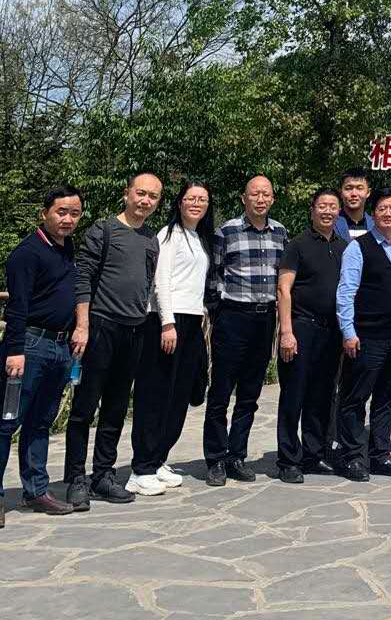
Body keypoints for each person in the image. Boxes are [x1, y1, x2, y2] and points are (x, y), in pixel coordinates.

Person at [63, 173, 163, 509]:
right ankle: (76, 479)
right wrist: (82, 325)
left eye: (152, 196)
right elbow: (83, 277)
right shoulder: (103, 229)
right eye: (140, 193)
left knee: (116, 408)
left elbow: (147, 284)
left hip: (134, 330)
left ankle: (102, 475)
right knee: (84, 408)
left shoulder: (151, 239)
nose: (145, 201)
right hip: (101, 327)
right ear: (127, 194)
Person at [1, 188, 83, 526]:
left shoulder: (67, 249)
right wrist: (15, 350)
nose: (67, 219)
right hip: (30, 346)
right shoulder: (27, 253)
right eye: (61, 212)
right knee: (7, 422)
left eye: (74, 213)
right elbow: (17, 306)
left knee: (41, 422)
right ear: (44, 213)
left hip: (60, 347)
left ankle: (36, 490)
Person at [128, 181, 213, 496]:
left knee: (178, 395)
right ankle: (141, 468)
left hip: (192, 321)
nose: (196, 203)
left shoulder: (199, 238)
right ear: (179, 202)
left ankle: (158, 457)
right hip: (167, 322)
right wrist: (167, 322)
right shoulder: (169, 235)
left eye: (202, 199)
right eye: (191, 198)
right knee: (155, 394)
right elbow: (160, 282)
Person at [203, 175, 288, 486]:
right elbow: (213, 274)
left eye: (266, 194)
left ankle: (236, 455)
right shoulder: (227, 231)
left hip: (264, 320)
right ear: (244, 198)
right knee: (221, 391)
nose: (260, 199)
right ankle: (215, 458)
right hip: (233, 317)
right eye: (255, 194)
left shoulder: (280, 232)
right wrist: (219, 311)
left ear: (272, 199)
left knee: (250, 394)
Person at [335, 188, 391, 480]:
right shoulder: (358, 248)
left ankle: (380, 455)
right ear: (374, 215)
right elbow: (346, 292)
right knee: (354, 399)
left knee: (386, 398)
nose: (388, 213)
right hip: (366, 337)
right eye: (382, 209)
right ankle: (352, 457)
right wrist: (348, 331)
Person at [276, 188, 346, 483]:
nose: (327, 211)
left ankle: (313, 455)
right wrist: (286, 331)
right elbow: (284, 289)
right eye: (322, 206)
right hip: (301, 328)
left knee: (321, 395)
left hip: (331, 332)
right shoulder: (297, 245)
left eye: (333, 206)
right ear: (313, 209)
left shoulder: (344, 247)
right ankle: (288, 460)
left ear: (339, 212)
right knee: (294, 395)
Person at [333, 170, 374, 243]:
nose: (354, 194)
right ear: (340, 192)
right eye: (348, 188)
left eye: (359, 188)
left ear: (368, 192)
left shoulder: (376, 225)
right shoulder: (331, 223)